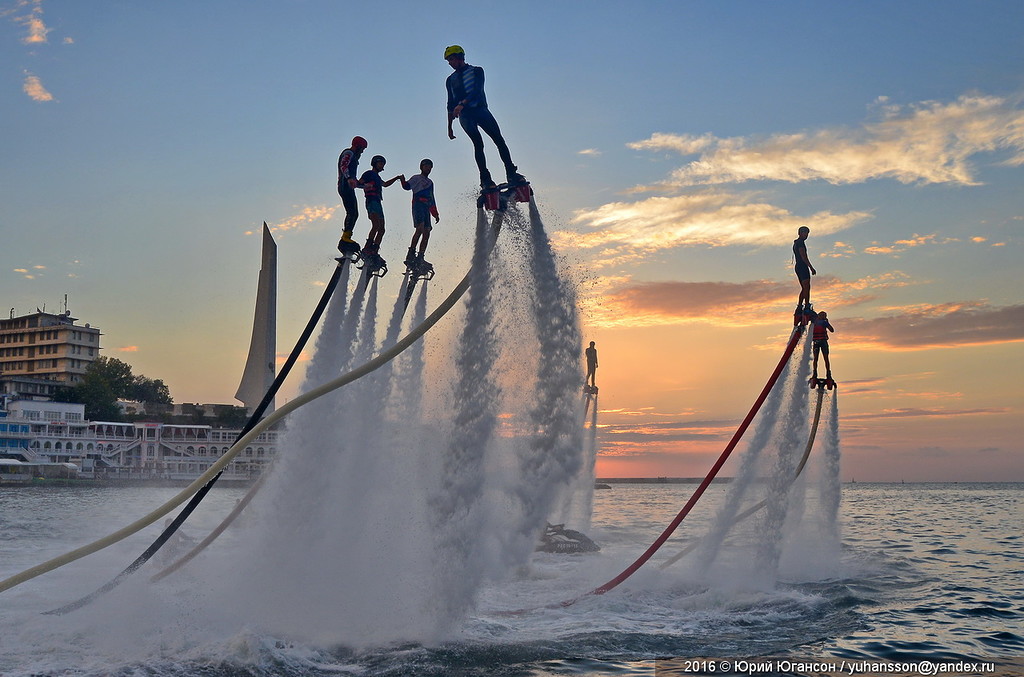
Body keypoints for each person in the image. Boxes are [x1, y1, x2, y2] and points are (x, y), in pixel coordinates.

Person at [444, 44, 524, 189]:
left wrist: (462, 104)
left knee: (499, 140)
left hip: (480, 110)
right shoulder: (450, 80)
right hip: (466, 116)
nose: (450, 63)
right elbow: (450, 103)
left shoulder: (476, 71)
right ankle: (485, 179)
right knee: (478, 144)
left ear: (460, 57)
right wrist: (449, 127)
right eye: (448, 60)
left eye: (451, 59)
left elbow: (477, 90)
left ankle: (511, 172)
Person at [358, 155, 404, 256]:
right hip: (371, 201)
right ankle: (367, 247)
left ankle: (374, 250)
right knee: (376, 225)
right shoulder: (368, 173)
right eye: (380, 163)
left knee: (382, 229)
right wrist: (365, 186)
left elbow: (385, 184)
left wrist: (397, 178)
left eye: (383, 164)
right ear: (374, 163)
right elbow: (359, 183)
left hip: (378, 202)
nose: (382, 165)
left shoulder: (377, 177)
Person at [400, 159, 441, 267]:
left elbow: (432, 198)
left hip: (426, 207)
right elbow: (407, 187)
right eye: (426, 166)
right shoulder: (416, 178)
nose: (428, 168)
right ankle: (411, 253)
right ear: (422, 167)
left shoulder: (430, 183)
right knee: (420, 228)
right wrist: (402, 181)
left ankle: (421, 256)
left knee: (427, 231)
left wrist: (435, 213)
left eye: (430, 167)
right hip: (418, 204)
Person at [337, 136, 368, 253]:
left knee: (354, 212)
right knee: (352, 212)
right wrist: (349, 178)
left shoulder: (353, 156)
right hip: (344, 187)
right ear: (358, 146)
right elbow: (343, 165)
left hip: (347, 187)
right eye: (363, 148)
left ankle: (346, 236)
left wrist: (365, 186)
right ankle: (345, 238)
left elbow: (354, 181)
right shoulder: (349, 153)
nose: (363, 151)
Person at [793, 225, 817, 310]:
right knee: (806, 287)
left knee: (804, 287)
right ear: (800, 233)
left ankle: (800, 306)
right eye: (805, 233)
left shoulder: (796, 243)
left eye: (807, 233)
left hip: (798, 267)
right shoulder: (800, 243)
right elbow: (803, 256)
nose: (806, 235)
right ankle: (806, 305)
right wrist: (811, 267)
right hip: (802, 266)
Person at [811, 310, 835, 379]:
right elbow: (832, 330)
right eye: (823, 316)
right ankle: (818, 373)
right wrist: (827, 323)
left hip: (819, 342)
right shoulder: (822, 322)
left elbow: (832, 330)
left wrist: (826, 323)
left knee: (820, 358)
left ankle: (826, 373)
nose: (824, 317)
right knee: (821, 358)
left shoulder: (816, 322)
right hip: (821, 342)